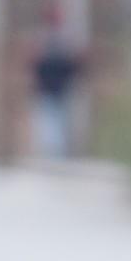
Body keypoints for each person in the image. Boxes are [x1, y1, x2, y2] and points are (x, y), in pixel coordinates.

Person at [29, 19, 83, 159]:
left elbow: (36, 67)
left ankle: (54, 153)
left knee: (53, 122)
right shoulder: (61, 46)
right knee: (53, 122)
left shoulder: (49, 45)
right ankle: (54, 153)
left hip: (54, 89)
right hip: (54, 89)